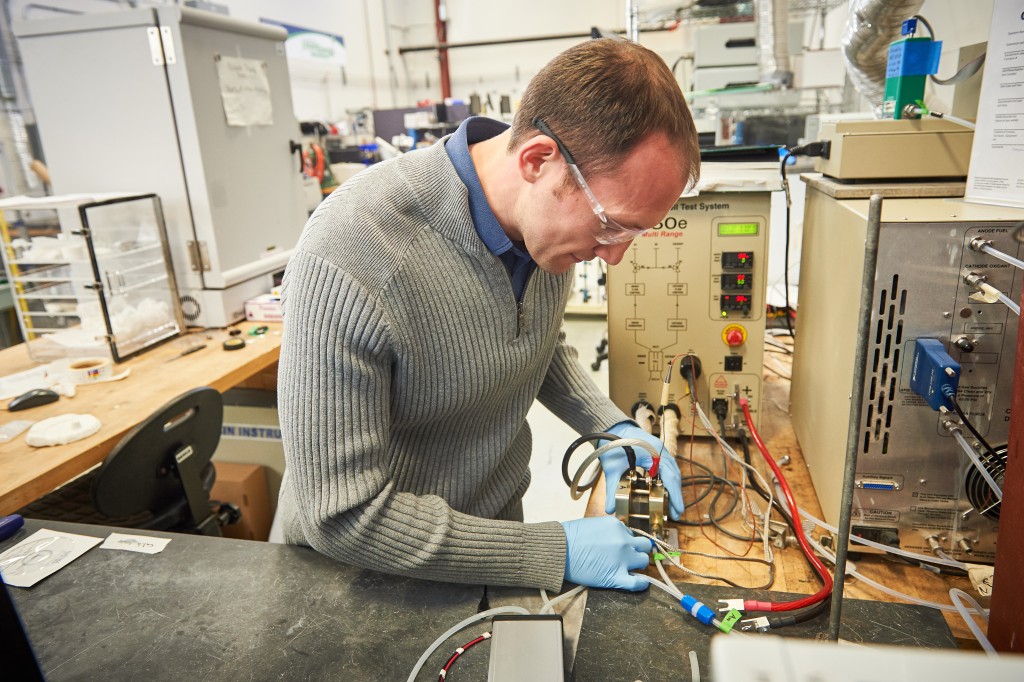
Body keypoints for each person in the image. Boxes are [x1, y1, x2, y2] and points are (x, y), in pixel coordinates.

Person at [275, 37, 701, 594]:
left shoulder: (543, 229)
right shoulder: (352, 252)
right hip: (363, 587)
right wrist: (555, 549)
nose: (615, 255)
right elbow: (341, 514)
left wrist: (611, 426)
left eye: (634, 234)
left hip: (492, 551)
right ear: (538, 160)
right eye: (612, 226)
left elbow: (530, 341)